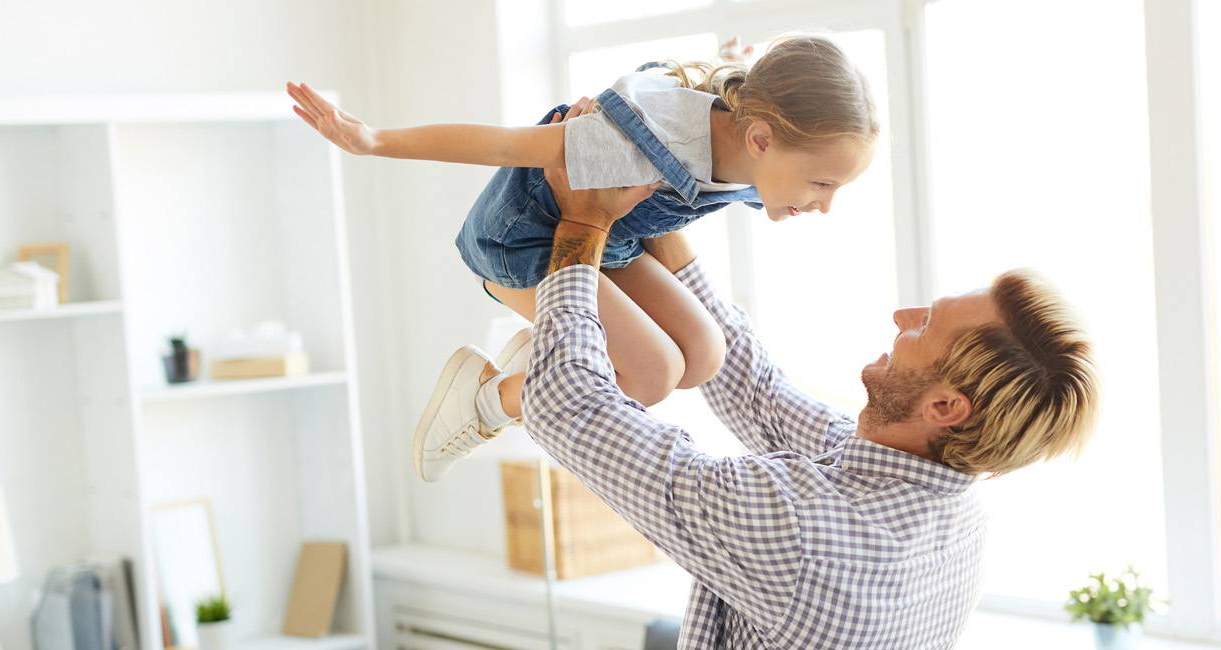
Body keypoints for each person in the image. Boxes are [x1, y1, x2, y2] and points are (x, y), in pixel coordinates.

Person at [508, 102, 1103, 650]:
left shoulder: (804, 528)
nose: (902, 318)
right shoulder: (942, 501)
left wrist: (581, 228)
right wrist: (669, 216)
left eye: (924, 327)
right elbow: (755, 386)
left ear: (944, 404)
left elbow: (571, 405)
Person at [286, 34, 880, 481]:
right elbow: (504, 142)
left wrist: (733, 54)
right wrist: (376, 142)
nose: (823, 205)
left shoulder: (756, 135)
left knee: (703, 355)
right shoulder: (641, 141)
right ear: (760, 140)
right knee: (651, 375)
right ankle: (487, 400)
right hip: (525, 245)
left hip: (608, 244)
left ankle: (545, 354)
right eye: (822, 185)